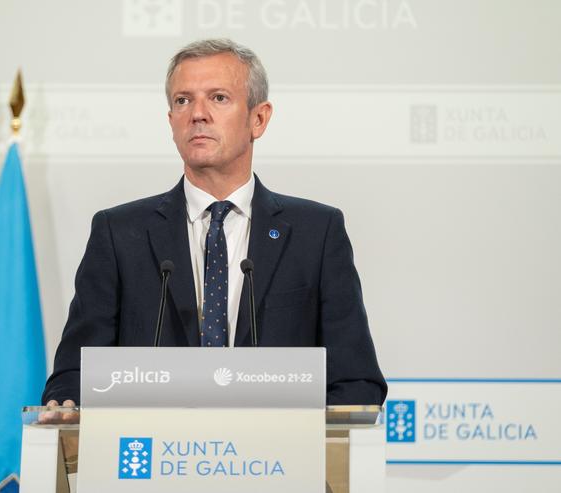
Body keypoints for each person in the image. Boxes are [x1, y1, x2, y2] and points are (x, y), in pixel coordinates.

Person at [42, 38, 387, 411]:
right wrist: (67, 404)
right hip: (156, 459)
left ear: (259, 118)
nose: (198, 114)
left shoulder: (316, 233)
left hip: (275, 461)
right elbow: (74, 374)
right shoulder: (119, 233)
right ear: (171, 120)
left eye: (218, 98)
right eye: (183, 100)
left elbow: (356, 381)